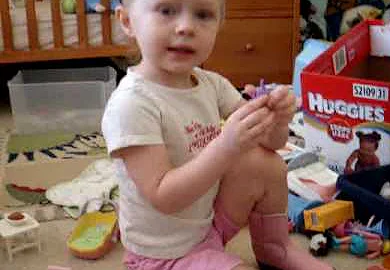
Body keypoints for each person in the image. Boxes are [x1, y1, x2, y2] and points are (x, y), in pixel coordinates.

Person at [101, 0, 334, 269]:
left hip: (207, 224)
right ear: (127, 21)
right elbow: (164, 197)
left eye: (203, 14)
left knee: (264, 162)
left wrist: (278, 119)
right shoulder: (132, 104)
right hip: (162, 255)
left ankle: (275, 247)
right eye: (166, 11)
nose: (187, 27)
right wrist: (226, 146)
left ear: (219, 25)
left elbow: (273, 143)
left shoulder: (210, 83)